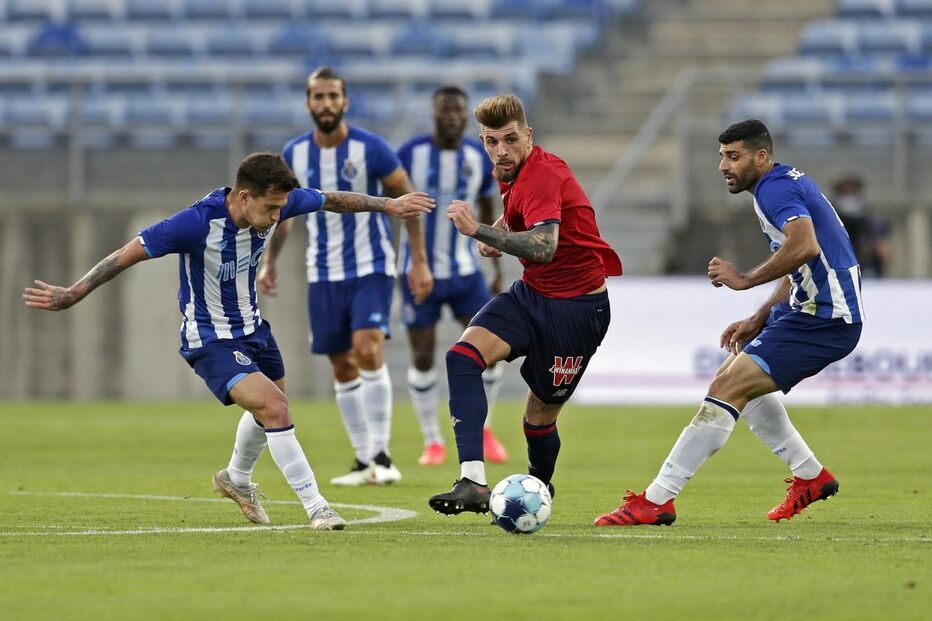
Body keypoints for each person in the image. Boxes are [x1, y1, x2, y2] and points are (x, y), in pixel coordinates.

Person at [22, 152, 434, 531]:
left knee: (267, 410)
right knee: (275, 407)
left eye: (281, 208)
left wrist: (388, 205)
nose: (277, 217)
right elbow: (124, 255)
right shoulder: (194, 223)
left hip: (254, 328)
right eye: (270, 208)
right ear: (243, 196)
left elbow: (330, 199)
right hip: (210, 336)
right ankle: (318, 507)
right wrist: (74, 292)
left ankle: (235, 478)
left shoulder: (278, 201)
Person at [594, 119, 864, 527]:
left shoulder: (773, 189)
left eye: (734, 157)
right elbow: (802, 258)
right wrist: (760, 315)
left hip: (825, 316)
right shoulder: (781, 183)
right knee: (736, 380)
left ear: (761, 156)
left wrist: (745, 279)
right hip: (810, 307)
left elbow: (804, 245)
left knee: (726, 387)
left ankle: (657, 500)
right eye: (722, 156)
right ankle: (810, 476)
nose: (724, 165)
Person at [427, 94, 622, 516]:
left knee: (538, 417)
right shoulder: (512, 169)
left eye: (510, 140)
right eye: (491, 142)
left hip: (577, 310)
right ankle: (473, 481)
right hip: (533, 294)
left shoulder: (541, 173)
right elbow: (525, 213)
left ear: (528, 136)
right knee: (462, 357)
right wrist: (501, 227)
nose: (501, 151)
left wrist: (479, 231)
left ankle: (540, 488)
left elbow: (545, 246)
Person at [259, 67, 433, 487]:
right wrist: (270, 260)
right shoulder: (294, 154)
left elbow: (406, 202)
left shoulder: (370, 148)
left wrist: (419, 260)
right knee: (341, 363)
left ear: (345, 101)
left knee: (367, 347)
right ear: (308, 104)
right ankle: (361, 461)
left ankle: (382, 455)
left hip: (371, 266)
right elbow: (284, 215)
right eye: (318, 97)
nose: (326, 104)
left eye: (333, 96)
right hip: (323, 272)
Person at [396, 85, 508, 467]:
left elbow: (489, 204)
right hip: (418, 271)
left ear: (465, 116)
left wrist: (495, 267)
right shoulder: (411, 154)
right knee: (424, 355)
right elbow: (393, 204)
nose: (452, 117)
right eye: (445, 110)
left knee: (493, 350)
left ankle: (485, 428)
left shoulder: (477, 156)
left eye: (458, 111)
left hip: (465, 271)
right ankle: (432, 440)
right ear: (435, 114)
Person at [831, 175, 890, 278]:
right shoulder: (831, 210)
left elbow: (874, 227)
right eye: (846, 191)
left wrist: (877, 242)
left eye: (853, 191)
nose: (850, 195)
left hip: (862, 248)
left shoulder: (864, 210)